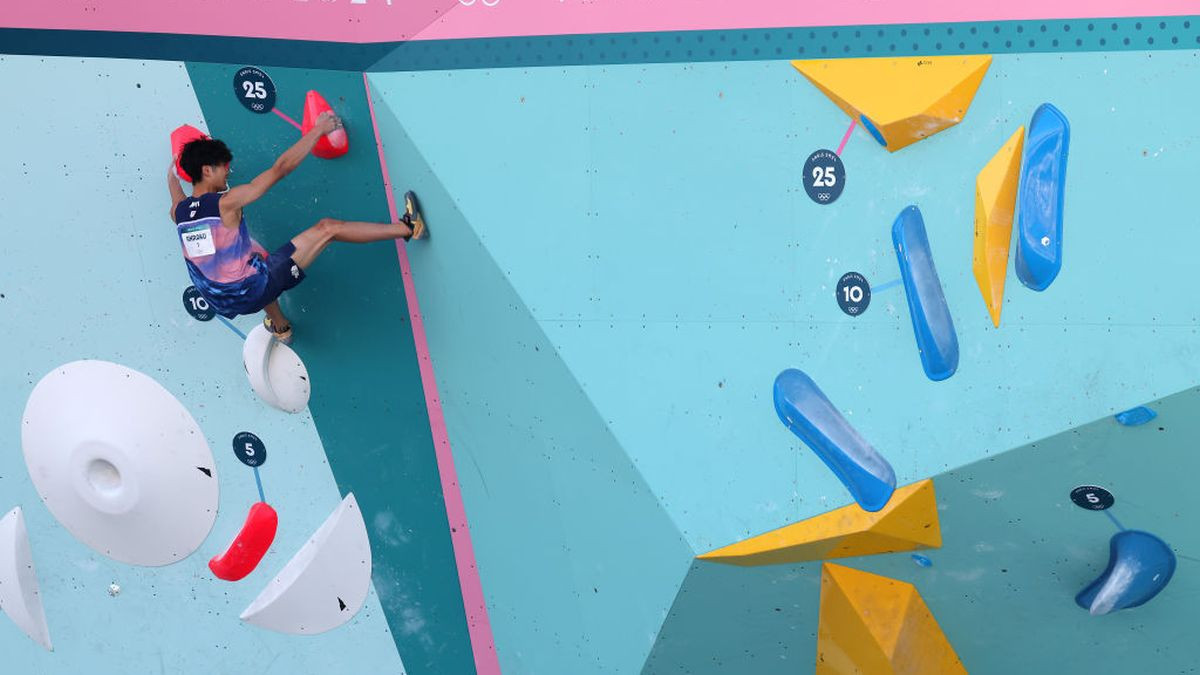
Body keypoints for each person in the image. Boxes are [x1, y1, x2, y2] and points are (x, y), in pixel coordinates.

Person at [168, 111, 426, 343]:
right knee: (327, 228)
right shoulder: (227, 203)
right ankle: (408, 227)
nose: (228, 172)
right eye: (223, 168)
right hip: (250, 291)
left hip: (220, 301)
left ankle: (281, 327)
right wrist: (318, 130)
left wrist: (171, 171)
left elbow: (175, 192)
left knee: (253, 256)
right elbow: (280, 169)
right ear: (206, 170)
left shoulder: (179, 213)